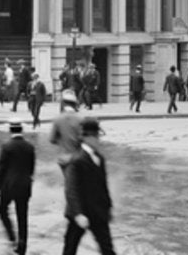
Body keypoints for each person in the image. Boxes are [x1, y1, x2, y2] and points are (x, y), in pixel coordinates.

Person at [62, 117, 116, 255]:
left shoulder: (99, 158)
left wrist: (108, 207)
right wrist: (78, 214)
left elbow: (103, 186)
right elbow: (71, 189)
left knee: (107, 249)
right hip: (81, 213)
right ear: (87, 138)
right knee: (70, 249)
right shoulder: (77, 160)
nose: (99, 140)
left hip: (98, 212)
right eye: (97, 136)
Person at [0, 118, 35, 255]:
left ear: (10, 130)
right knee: (22, 215)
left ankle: (11, 236)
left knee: (2, 210)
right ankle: (22, 244)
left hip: (9, 185)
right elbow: (31, 168)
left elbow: (1, 168)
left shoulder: (7, 147)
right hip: (25, 185)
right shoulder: (30, 147)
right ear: (21, 130)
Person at [50, 90, 82, 172]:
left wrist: (61, 140)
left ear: (63, 104)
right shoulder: (80, 119)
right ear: (75, 104)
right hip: (77, 158)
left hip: (63, 158)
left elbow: (52, 139)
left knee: (68, 180)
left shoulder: (58, 119)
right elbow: (83, 139)